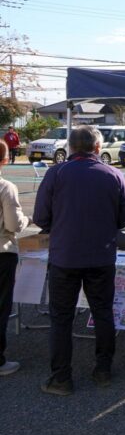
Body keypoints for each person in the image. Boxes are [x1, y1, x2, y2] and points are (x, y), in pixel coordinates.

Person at [33, 125, 125, 395]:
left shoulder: (57, 173)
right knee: (102, 312)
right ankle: (103, 370)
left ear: (71, 147)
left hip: (65, 256)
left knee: (61, 318)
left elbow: (40, 218)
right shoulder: (114, 174)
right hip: (101, 255)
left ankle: (61, 378)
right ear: (98, 148)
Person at [0, 141, 28, 377]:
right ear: (5, 160)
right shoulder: (5, 187)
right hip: (2, 251)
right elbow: (13, 224)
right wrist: (26, 220)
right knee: (0, 307)